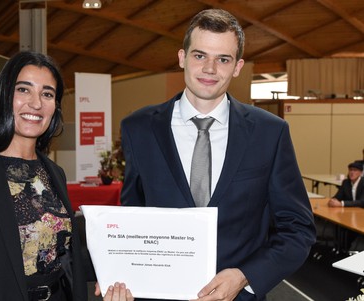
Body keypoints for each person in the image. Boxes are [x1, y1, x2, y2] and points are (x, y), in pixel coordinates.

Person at [119, 9, 316, 301]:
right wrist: (118, 273)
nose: (210, 69)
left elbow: (298, 229)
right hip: (158, 295)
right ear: (182, 58)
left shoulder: (269, 133)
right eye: (200, 56)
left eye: (222, 59)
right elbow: (131, 219)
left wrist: (245, 276)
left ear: (237, 66)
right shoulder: (139, 128)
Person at [0, 51, 133, 301]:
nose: (36, 103)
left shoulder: (53, 173)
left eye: (47, 94)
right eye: (23, 90)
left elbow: (63, 253)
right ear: (4, 97)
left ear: (54, 108)